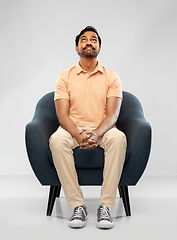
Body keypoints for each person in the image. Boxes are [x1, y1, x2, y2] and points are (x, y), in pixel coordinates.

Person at [49, 26, 127, 229]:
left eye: (93, 40)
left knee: (118, 139)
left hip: (103, 129)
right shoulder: (64, 76)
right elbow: (62, 116)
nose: (89, 42)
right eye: (84, 40)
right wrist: (78, 134)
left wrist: (96, 134)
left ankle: (105, 207)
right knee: (57, 140)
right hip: (72, 129)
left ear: (99, 48)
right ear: (77, 48)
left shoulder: (112, 76)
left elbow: (112, 115)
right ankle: (77, 206)